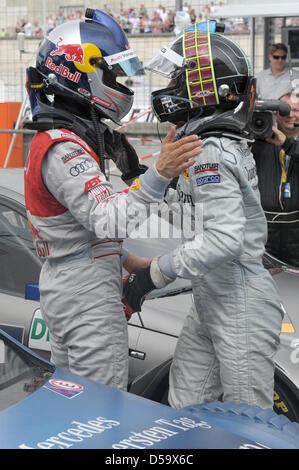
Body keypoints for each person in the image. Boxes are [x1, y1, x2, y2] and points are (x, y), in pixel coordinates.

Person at [23, 9, 202, 391]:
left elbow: (77, 232)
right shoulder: (63, 149)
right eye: (114, 73)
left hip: (74, 282)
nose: (121, 83)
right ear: (81, 72)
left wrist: (127, 260)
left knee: (73, 403)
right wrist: (160, 172)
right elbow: (108, 220)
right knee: (100, 410)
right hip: (84, 294)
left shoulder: (65, 139)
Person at [123, 21, 284, 410]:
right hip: (214, 297)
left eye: (180, 77)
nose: (172, 85)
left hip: (238, 298)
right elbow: (199, 216)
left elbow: (223, 240)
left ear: (207, 87)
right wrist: (142, 177)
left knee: (249, 423)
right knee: (185, 409)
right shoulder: (212, 143)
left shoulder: (211, 149)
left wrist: (152, 274)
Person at [251, 92, 299, 266]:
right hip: (262, 229)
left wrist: (287, 143)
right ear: (275, 113)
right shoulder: (258, 139)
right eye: (285, 110)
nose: (291, 114)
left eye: (296, 110)